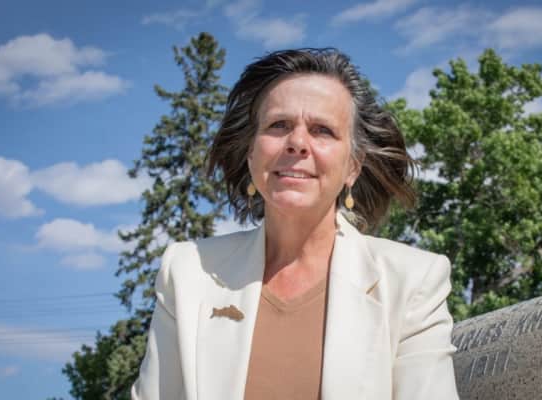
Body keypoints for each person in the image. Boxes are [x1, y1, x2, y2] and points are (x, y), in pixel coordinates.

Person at [131, 48, 459, 400]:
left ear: (353, 166)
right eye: (279, 125)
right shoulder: (186, 272)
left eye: (322, 130)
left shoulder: (413, 282)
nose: (298, 143)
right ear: (251, 152)